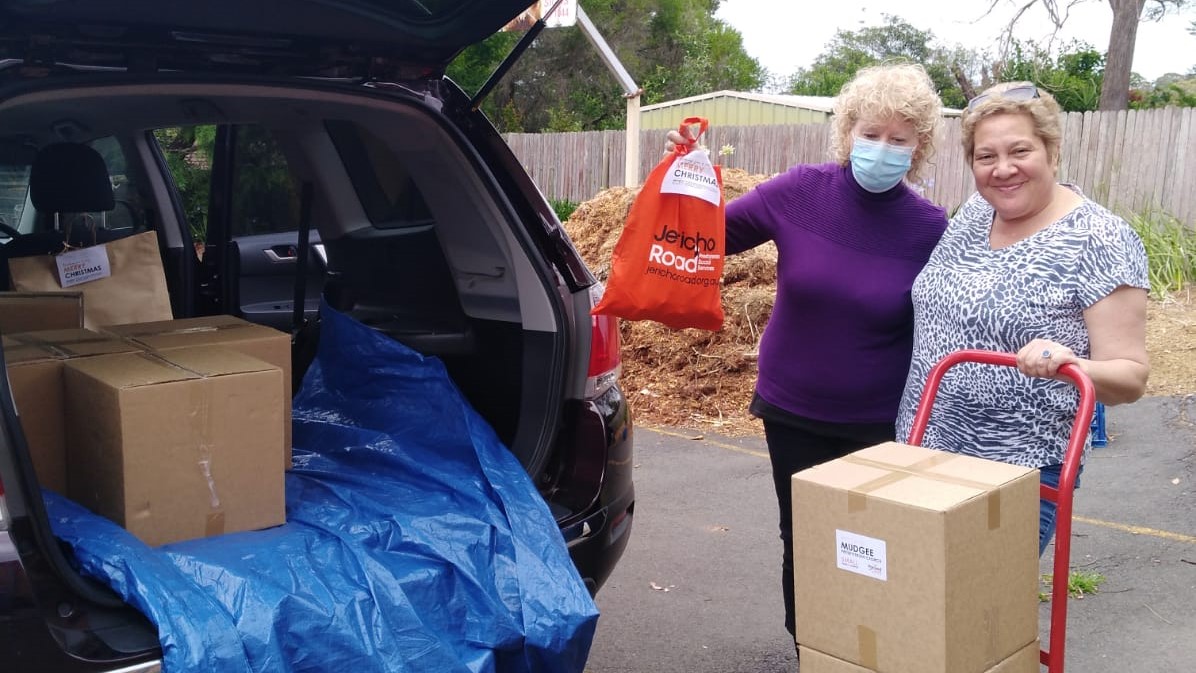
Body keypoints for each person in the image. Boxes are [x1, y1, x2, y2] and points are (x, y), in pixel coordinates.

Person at [668, 62, 948, 641]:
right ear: (847, 132)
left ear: (918, 149)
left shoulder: (930, 229)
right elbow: (707, 235)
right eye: (870, 133)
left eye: (899, 139)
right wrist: (683, 175)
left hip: (880, 421)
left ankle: (874, 648)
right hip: (793, 410)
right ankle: (816, 650)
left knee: (877, 549)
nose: (881, 148)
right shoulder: (800, 192)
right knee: (806, 540)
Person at [895, 82, 1150, 555]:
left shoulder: (1100, 239)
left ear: (1052, 151)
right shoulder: (975, 213)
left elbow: (1131, 378)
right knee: (912, 606)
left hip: (1015, 471)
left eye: (1020, 150)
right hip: (921, 446)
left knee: (974, 614)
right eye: (985, 156)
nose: (1003, 169)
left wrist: (1071, 361)